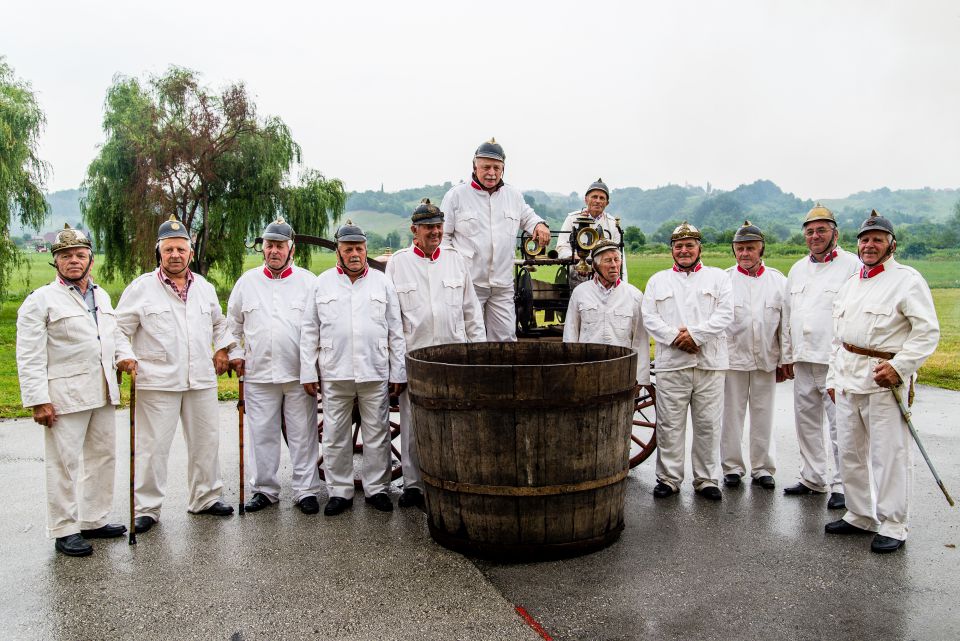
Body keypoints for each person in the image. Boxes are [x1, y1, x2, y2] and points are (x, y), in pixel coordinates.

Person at [16, 225, 137, 556]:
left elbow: (112, 337)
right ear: (55, 262)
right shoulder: (40, 301)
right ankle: (64, 528)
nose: (73, 261)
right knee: (64, 464)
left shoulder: (101, 296)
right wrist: (38, 400)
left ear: (90, 260)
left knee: (102, 457)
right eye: (65, 256)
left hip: (102, 389)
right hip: (63, 396)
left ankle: (93, 519)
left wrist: (125, 357)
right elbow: (28, 355)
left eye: (79, 255)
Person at [824, 210, 939, 554]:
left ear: (891, 244)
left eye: (877, 239)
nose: (869, 245)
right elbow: (839, 337)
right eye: (865, 239)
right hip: (847, 378)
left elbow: (926, 332)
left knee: (889, 454)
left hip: (883, 377)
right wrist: (832, 376)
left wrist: (901, 367)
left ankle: (893, 522)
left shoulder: (907, 280)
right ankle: (859, 513)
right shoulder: (851, 283)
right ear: (857, 245)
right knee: (850, 451)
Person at [115, 215, 236, 534]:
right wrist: (125, 356)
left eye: (181, 249)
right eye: (168, 249)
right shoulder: (141, 288)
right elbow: (118, 329)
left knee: (206, 442)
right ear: (159, 252)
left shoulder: (205, 288)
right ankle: (147, 509)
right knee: (153, 447)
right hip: (157, 381)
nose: (175, 255)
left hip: (200, 379)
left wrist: (222, 349)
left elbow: (219, 324)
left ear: (191, 253)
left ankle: (205, 498)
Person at [300, 220, 407, 516]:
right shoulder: (321, 283)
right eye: (348, 249)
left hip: (374, 370)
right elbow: (310, 330)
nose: (355, 254)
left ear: (365, 250)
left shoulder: (382, 283)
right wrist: (308, 371)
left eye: (359, 248)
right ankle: (340, 492)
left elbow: (395, 330)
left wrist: (398, 371)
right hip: (336, 372)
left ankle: (377, 490)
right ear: (339, 251)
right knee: (335, 435)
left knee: (377, 433)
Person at [385, 199, 486, 508]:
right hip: (414, 359)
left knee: (455, 425)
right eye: (428, 227)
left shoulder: (456, 260)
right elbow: (392, 322)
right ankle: (413, 485)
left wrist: (478, 358)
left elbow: (472, 313)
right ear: (414, 230)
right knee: (413, 425)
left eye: (439, 227)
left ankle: (451, 480)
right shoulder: (398, 264)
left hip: (453, 358)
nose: (435, 232)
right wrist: (397, 371)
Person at [227, 218, 323, 515]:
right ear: (263, 248)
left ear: (291, 249)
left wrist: (314, 369)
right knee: (262, 434)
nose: (274, 251)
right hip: (258, 373)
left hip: (298, 374)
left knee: (302, 434)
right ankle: (264, 490)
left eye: (280, 245)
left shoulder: (309, 282)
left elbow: (319, 328)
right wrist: (235, 353)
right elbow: (232, 325)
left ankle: (306, 490)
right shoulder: (247, 282)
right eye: (269, 245)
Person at [641, 222, 733, 500]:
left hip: (709, 363)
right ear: (672, 250)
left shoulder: (718, 278)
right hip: (673, 363)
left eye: (689, 245)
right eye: (678, 246)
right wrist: (676, 338)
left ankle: (706, 479)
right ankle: (668, 478)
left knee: (708, 424)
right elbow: (649, 317)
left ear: (699, 248)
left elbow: (725, 314)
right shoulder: (658, 280)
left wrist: (695, 335)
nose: (684, 250)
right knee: (670, 423)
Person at [781, 203, 860, 510]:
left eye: (821, 230)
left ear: (835, 233)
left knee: (840, 425)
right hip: (803, 359)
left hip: (834, 360)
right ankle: (813, 477)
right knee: (806, 422)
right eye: (810, 231)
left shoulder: (851, 265)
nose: (815, 236)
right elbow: (789, 314)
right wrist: (787, 355)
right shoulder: (798, 268)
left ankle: (842, 485)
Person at [440, 138, 551, 341]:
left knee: (506, 339)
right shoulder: (456, 196)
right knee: (469, 337)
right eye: (486, 167)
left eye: (496, 168)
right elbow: (443, 237)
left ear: (503, 169)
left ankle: (501, 373)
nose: (491, 172)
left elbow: (528, 216)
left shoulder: (513, 195)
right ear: (475, 166)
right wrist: (451, 270)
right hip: (468, 282)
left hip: (502, 284)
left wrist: (539, 225)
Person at [720, 221, 788, 490]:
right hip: (732, 359)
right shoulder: (724, 280)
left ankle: (763, 468)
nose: (745, 254)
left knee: (764, 414)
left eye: (750, 248)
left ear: (762, 250)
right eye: (740, 249)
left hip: (766, 358)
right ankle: (732, 467)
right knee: (731, 415)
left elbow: (786, 325)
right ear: (734, 251)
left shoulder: (778, 280)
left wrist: (785, 359)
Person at [562, 239, 649, 391]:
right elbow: (571, 333)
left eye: (617, 260)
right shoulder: (581, 292)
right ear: (595, 266)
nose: (614, 265)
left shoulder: (634, 295)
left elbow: (640, 339)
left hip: (621, 370)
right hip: (586, 368)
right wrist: (571, 370)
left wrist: (639, 377)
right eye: (608, 261)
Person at [556, 178, 627, 284]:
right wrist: (577, 260)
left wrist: (623, 284)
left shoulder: (612, 224)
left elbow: (619, 256)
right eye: (594, 197)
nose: (598, 201)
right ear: (586, 199)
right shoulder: (572, 219)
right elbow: (561, 248)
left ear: (607, 203)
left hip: (605, 279)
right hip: (577, 277)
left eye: (602, 198)